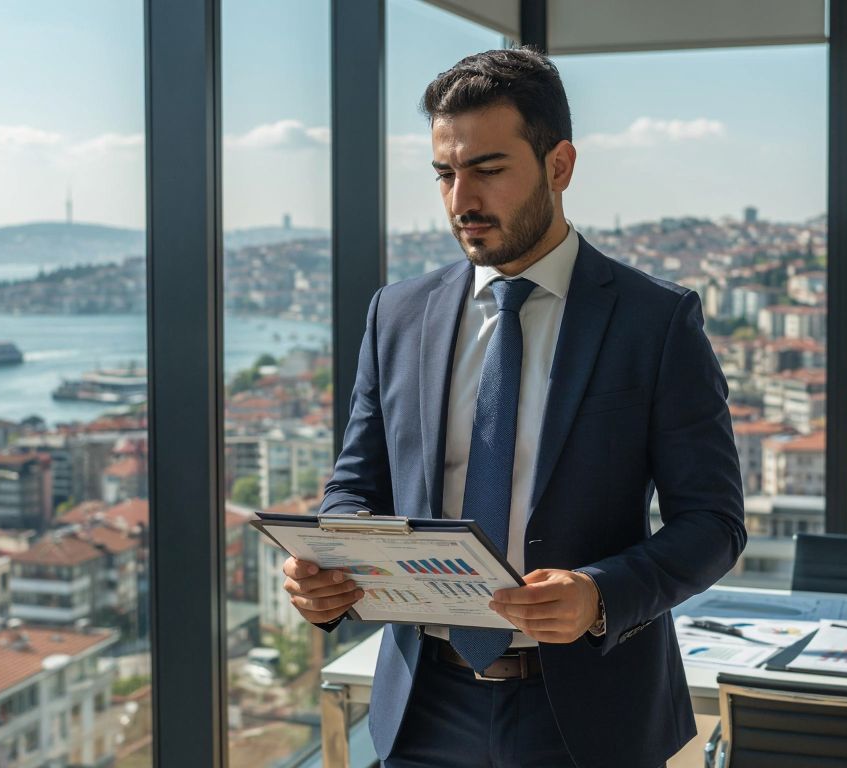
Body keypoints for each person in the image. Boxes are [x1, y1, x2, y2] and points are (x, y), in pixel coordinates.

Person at [283, 47, 745, 768]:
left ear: (559, 166)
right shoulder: (397, 315)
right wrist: (330, 569)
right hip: (422, 707)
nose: (461, 199)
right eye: (445, 172)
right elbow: (356, 485)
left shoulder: (656, 321)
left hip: (590, 716)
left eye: (488, 169)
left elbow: (714, 523)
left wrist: (599, 593)